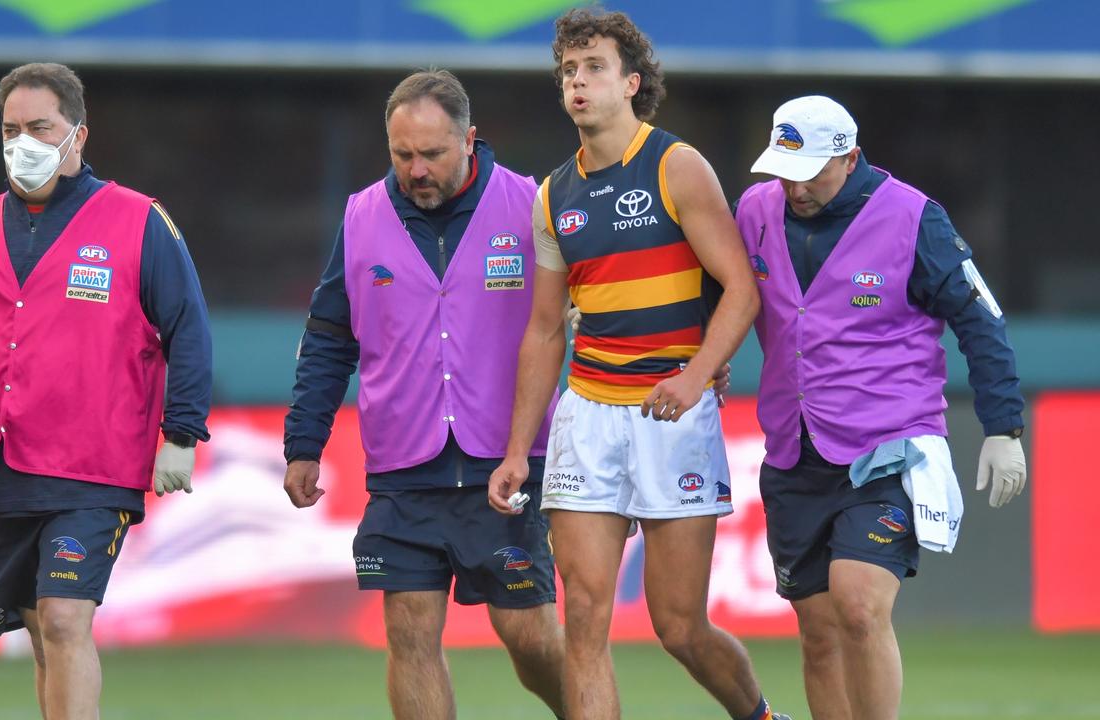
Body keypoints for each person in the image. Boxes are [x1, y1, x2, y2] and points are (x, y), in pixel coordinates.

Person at [0, 62, 212, 720]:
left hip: (95, 466)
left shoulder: (137, 222)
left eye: (39, 127)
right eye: (10, 129)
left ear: (78, 135)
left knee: (62, 619)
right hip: (5, 463)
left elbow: (187, 328)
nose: (22, 141)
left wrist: (182, 432)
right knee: (39, 634)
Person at [490, 9, 788, 720]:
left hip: (671, 415)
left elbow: (743, 291)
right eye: (568, 70)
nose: (578, 82)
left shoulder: (676, 166)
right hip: (587, 416)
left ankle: (760, 716)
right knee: (585, 619)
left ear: (631, 83)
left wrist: (693, 376)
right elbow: (542, 332)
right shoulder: (551, 195)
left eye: (593, 68)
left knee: (679, 627)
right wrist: (515, 452)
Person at [282, 70, 567, 719]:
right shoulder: (360, 217)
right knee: (410, 632)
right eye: (402, 154)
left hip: (509, 462)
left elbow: (581, 315)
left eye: (432, 154)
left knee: (527, 634)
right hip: (403, 470)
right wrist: (304, 443)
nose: (416, 170)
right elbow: (328, 336)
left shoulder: (530, 204)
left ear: (470, 139)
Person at [735, 95, 1028, 720]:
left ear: (850, 157)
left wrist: (1003, 428)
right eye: (785, 170)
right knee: (817, 633)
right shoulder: (756, 211)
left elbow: (980, 319)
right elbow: (717, 291)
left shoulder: (915, 218)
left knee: (860, 606)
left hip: (888, 446)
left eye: (811, 170)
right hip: (793, 450)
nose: (795, 186)